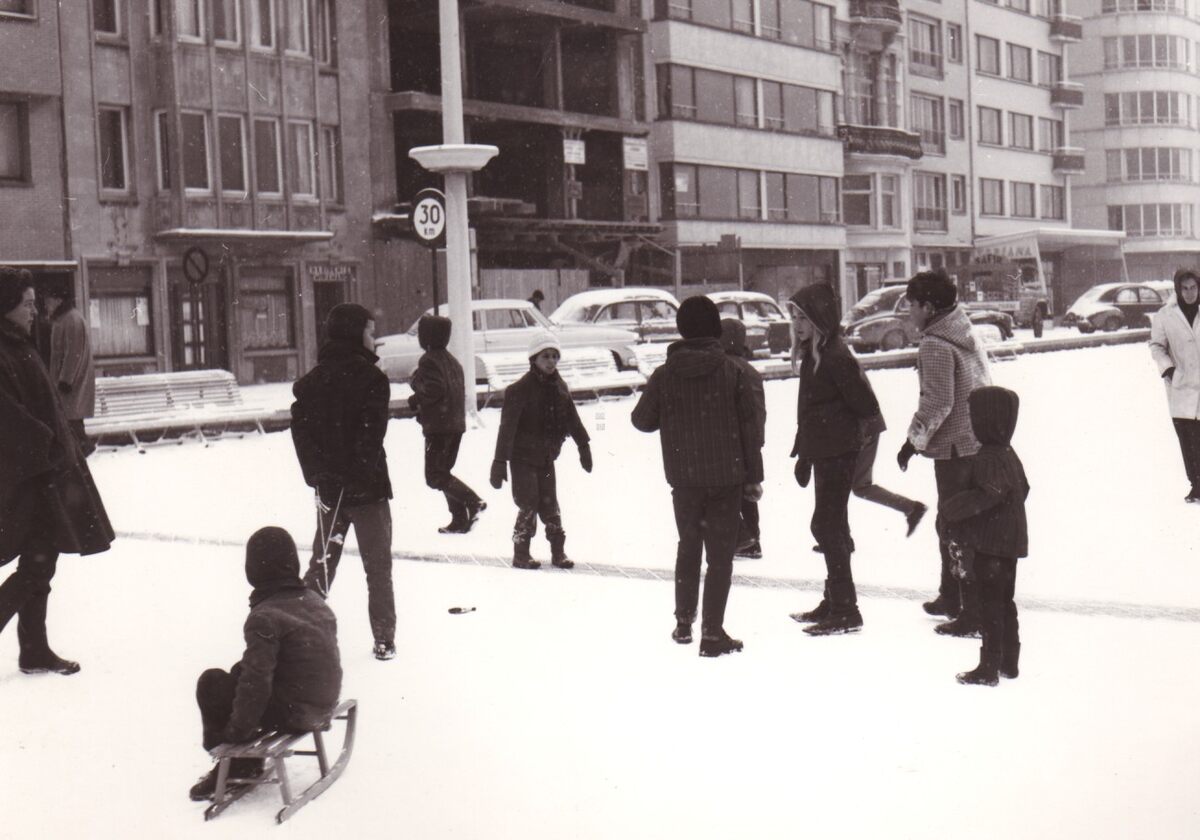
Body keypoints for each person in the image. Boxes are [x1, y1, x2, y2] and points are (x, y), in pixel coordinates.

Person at [631, 296, 765, 657]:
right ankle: (712, 632)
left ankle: (683, 622)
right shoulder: (733, 371)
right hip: (726, 477)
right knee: (720, 557)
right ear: (716, 330)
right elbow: (749, 428)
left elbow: (641, 421)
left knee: (688, 547)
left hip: (684, 478)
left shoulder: (665, 375)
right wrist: (754, 477)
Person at [0, 267, 113, 675]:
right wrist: (48, 443)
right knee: (37, 562)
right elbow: (9, 416)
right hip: (27, 478)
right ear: (7, 306)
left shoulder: (20, 342)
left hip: (43, 471)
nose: (34, 310)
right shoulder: (5, 349)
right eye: (27, 304)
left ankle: (34, 649)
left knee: (40, 560)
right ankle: (33, 648)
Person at [189, 527, 343, 800]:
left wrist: (236, 733)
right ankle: (241, 759)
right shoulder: (314, 601)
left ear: (253, 570)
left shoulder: (265, 615)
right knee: (240, 670)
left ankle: (236, 764)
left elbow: (256, 682)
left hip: (294, 713)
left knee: (212, 682)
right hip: (321, 703)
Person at [291, 303, 397, 661]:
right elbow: (371, 435)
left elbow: (302, 435)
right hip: (368, 492)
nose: (374, 339)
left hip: (329, 491)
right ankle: (384, 638)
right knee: (378, 569)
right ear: (355, 333)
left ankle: (300, 631)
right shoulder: (373, 381)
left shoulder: (311, 383)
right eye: (370, 331)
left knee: (322, 563)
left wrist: (319, 475)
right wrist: (358, 474)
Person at [897, 269, 992, 638]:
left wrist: (912, 442)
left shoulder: (936, 343)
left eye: (911, 304)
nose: (908, 311)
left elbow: (938, 402)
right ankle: (952, 596)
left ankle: (971, 611)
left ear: (928, 307)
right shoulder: (961, 329)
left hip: (955, 448)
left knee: (956, 527)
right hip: (975, 440)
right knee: (954, 522)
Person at [786, 283, 881, 636]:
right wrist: (804, 450)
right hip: (824, 451)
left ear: (819, 319)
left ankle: (845, 609)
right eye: (794, 317)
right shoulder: (816, 354)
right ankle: (835, 600)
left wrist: (830, 431)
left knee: (828, 526)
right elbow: (808, 410)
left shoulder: (835, 356)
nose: (797, 324)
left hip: (839, 452)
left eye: (803, 317)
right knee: (830, 525)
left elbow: (866, 405)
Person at [937, 387, 1029, 686]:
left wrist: (953, 508)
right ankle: (1009, 661)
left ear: (987, 420)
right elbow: (1023, 487)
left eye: (974, 416)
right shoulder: (1007, 452)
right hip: (1010, 541)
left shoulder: (988, 456)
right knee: (1004, 602)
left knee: (991, 604)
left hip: (991, 544)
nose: (971, 422)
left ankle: (988, 667)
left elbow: (989, 493)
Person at [490, 334, 592, 570]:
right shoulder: (520, 389)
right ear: (534, 358)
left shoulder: (559, 387)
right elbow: (507, 429)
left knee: (550, 503)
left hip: (546, 457)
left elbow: (572, 418)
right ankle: (521, 553)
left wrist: (583, 445)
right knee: (528, 502)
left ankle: (558, 552)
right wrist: (499, 461)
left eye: (555, 356)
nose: (551, 361)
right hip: (522, 458)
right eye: (546, 356)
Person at [408, 315, 486, 533]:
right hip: (454, 425)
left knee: (435, 476)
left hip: (438, 428)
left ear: (426, 337)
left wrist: (415, 394)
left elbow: (434, 389)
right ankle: (459, 519)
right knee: (444, 472)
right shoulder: (452, 361)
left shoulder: (428, 360)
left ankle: (473, 501)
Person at [1149, 268, 1200, 503]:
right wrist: (1168, 369)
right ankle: (1196, 485)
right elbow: (1156, 346)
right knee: (1188, 440)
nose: (1190, 293)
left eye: (1194, 288)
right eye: (1185, 288)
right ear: (1178, 290)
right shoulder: (1165, 315)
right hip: (1180, 386)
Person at [719, 318, 767, 559]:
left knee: (731, 491)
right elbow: (758, 411)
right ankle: (752, 539)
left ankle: (746, 539)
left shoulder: (724, 369)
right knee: (748, 492)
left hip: (732, 439)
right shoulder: (749, 370)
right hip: (750, 438)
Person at [44, 281, 96, 457]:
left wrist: (65, 380)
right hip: (69, 383)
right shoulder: (65, 319)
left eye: (48, 300)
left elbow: (73, 353)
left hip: (70, 385)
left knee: (70, 421)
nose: (46, 305)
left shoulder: (71, 319)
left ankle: (82, 450)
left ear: (58, 300)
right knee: (70, 422)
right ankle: (79, 452)